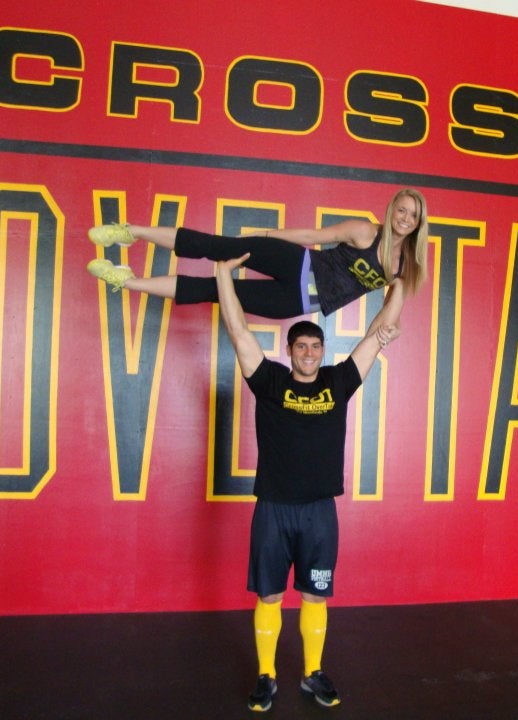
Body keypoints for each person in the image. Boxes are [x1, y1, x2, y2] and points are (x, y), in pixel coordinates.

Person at [214, 250, 404, 712]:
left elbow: (376, 335)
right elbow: (238, 332)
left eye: (314, 347)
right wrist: (222, 274)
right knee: (270, 595)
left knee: (316, 594)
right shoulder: (270, 381)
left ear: (322, 351)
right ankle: (266, 676)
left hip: (319, 511)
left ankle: (312, 672)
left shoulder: (337, 382)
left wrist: (399, 285)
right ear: (290, 351)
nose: (308, 353)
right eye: (300, 346)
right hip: (273, 508)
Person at [86, 188, 428, 319]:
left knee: (211, 290)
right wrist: (265, 235)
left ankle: (126, 281)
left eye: (412, 215)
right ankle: (131, 232)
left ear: (418, 223)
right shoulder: (366, 230)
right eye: (401, 210)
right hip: (298, 264)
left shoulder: (405, 269)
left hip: (297, 302)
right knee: (218, 246)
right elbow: (312, 236)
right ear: (391, 210)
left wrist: (389, 329)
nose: (405, 218)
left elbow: (390, 312)